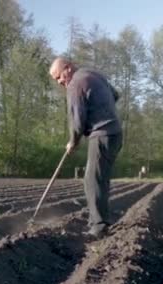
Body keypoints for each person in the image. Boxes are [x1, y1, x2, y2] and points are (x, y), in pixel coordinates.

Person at [49, 57, 123, 237]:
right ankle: (98, 221)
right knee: (100, 179)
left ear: (67, 68)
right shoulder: (92, 74)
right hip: (115, 134)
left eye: (59, 77)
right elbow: (115, 95)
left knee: (92, 180)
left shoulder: (75, 83)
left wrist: (73, 142)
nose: (59, 82)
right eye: (56, 80)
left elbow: (76, 119)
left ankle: (98, 226)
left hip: (102, 134)